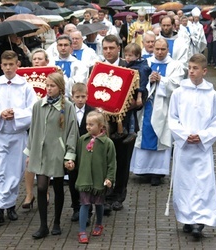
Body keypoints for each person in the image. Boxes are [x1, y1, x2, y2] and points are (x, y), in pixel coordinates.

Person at [168, 54, 216, 239]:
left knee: (201, 183)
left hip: (202, 148)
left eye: (195, 68)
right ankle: (187, 217)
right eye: (190, 68)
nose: (191, 71)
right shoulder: (179, 92)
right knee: (184, 183)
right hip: (184, 147)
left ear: (204, 71)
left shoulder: (212, 95)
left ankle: (199, 220)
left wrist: (202, 136)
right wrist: (184, 135)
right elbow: (173, 117)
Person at [0, 50, 38, 224]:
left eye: (11, 64)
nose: (8, 68)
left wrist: (16, 114)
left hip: (17, 134)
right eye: (5, 65)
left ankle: (10, 205)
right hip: (0, 134)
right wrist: (0, 114)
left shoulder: (25, 86)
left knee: (14, 171)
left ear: (17, 65)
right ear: (0, 66)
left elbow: (33, 109)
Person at [24, 72, 78, 239]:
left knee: (58, 187)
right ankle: (43, 225)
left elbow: (72, 132)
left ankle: (56, 222)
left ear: (60, 88)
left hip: (58, 153)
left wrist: (69, 155)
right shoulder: (38, 105)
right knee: (41, 186)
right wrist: (29, 152)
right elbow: (33, 130)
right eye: (47, 85)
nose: (48, 88)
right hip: (40, 153)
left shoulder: (67, 106)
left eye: (52, 86)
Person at [130, 38, 184, 186]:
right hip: (147, 106)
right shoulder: (145, 63)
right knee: (144, 132)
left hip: (164, 107)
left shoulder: (175, 65)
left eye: (163, 49)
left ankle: (157, 172)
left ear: (168, 50)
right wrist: (149, 80)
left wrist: (161, 79)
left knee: (161, 137)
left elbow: (177, 85)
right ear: (152, 49)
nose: (159, 52)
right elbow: (137, 81)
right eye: (157, 49)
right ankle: (143, 170)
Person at [98, 35, 132, 214]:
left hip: (123, 123)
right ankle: (105, 194)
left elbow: (136, 98)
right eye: (105, 48)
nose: (108, 51)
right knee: (104, 161)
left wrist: (120, 108)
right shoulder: (96, 68)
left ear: (118, 48)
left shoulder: (128, 68)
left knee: (121, 160)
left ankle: (118, 195)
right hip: (102, 123)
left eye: (111, 48)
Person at [75, 111, 117, 244]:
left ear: (101, 126)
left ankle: (99, 224)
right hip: (85, 179)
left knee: (99, 204)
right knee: (84, 204)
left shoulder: (108, 143)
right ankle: (82, 231)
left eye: (91, 125)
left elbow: (112, 163)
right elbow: (79, 157)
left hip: (100, 180)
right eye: (87, 124)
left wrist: (110, 178)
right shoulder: (82, 140)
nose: (88, 127)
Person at [22, 48, 50, 209]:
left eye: (40, 58)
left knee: (44, 158)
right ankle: (28, 194)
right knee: (29, 159)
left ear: (46, 61)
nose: (37, 61)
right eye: (35, 59)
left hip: (46, 121)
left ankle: (44, 192)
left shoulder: (52, 76)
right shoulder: (24, 78)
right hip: (30, 121)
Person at [69, 82, 94, 222]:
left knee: (86, 181)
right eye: (77, 96)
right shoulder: (68, 110)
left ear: (87, 96)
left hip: (87, 152)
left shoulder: (92, 111)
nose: (80, 99)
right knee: (73, 180)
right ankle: (76, 208)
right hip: (72, 152)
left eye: (83, 96)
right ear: (72, 97)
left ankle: (88, 209)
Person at [123, 43, 152, 144]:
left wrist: (139, 96)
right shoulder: (129, 65)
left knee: (131, 112)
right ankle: (123, 129)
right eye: (126, 55)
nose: (127, 57)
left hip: (136, 93)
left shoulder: (142, 68)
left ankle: (131, 130)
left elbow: (142, 83)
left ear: (137, 56)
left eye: (130, 55)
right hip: (129, 92)